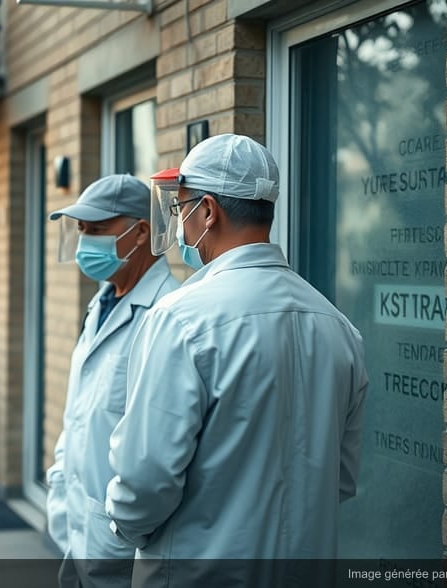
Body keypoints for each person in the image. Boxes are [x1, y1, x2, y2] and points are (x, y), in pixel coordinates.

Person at [105, 134, 369, 587]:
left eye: (181, 208)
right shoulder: (338, 328)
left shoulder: (180, 320)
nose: (181, 225)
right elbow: (339, 481)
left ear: (208, 212)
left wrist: (125, 529)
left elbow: (145, 480)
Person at [45, 174, 180, 587]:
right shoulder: (100, 304)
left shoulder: (167, 316)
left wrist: (120, 528)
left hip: (124, 549)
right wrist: (58, 491)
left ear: (141, 232)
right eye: (81, 230)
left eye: (97, 230)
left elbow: (158, 457)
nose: (86, 242)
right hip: (77, 532)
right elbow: (80, 416)